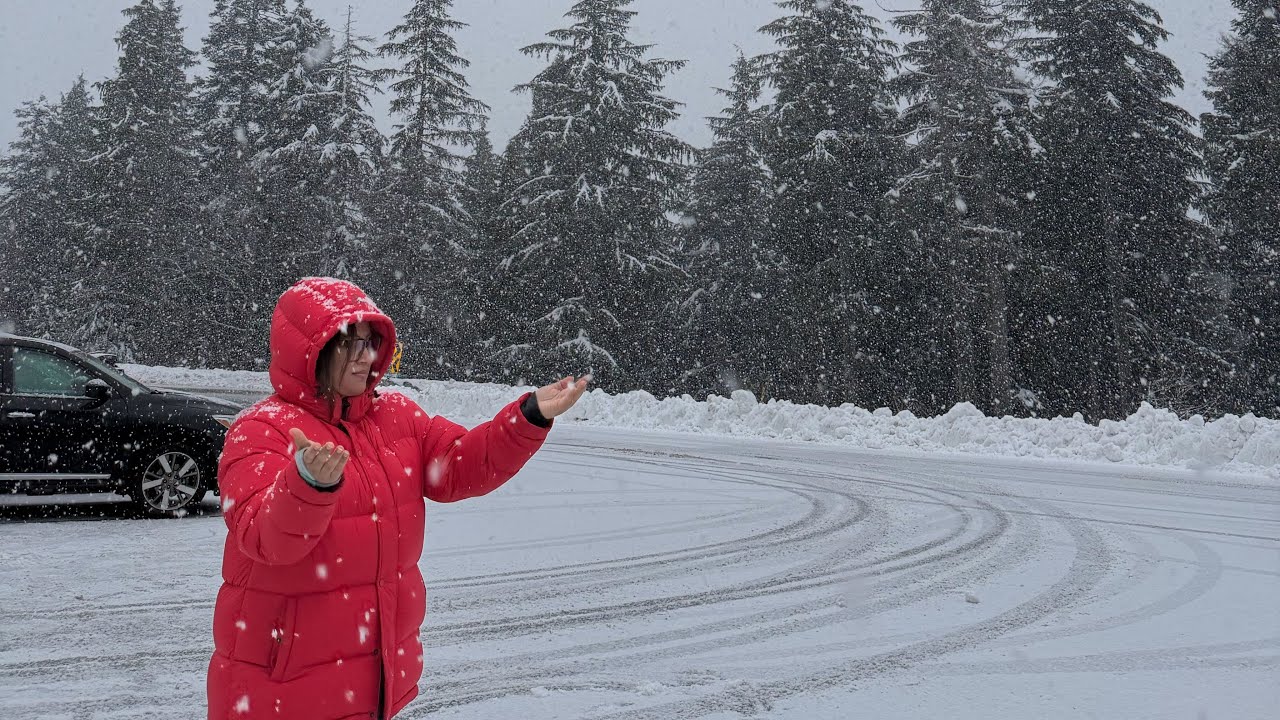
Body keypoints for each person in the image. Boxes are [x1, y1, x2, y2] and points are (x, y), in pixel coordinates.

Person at [206, 277, 588, 719]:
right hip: (281, 691)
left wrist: (528, 416)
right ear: (310, 350)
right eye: (350, 344)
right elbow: (264, 538)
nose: (365, 357)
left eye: (370, 343)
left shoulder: (397, 416)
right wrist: (308, 486)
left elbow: (461, 465)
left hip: (371, 681)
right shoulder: (261, 430)